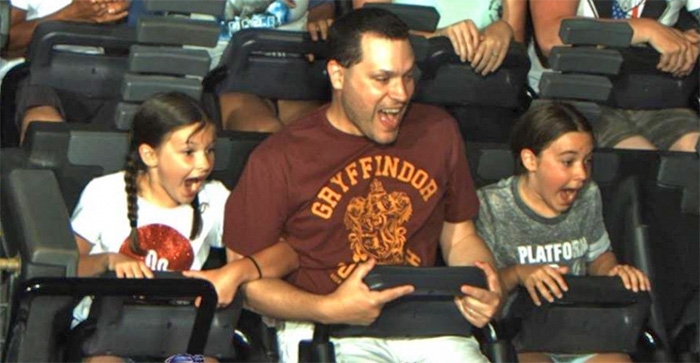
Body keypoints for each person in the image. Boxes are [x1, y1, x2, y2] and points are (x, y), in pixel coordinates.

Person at [187, 8, 503, 363]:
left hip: (424, 322)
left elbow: (459, 234)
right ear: (338, 75)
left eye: (407, 76)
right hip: (324, 328)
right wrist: (328, 308)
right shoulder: (280, 157)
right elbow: (247, 283)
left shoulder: (437, 130)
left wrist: (481, 283)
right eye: (382, 79)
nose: (400, 93)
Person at [69, 92, 297, 362]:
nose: (204, 164)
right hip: (105, 336)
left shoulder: (214, 198)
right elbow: (67, 267)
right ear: (149, 154)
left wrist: (234, 272)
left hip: (185, 332)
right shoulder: (104, 192)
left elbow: (288, 253)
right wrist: (107, 261)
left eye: (209, 150)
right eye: (188, 153)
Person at [475, 102, 652, 363]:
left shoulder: (588, 195)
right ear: (530, 160)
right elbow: (486, 292)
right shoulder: (492, 206)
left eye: (587, 161)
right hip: (522, 338)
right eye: (568, 162)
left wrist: (613, 273)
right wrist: (518, 273)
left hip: (581, 330)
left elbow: (599, 257)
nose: (581, 174)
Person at [529, 0, 700, 152]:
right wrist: (646, 28)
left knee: (690, 153)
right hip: (577, 97)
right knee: (639, 159)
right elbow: (551, 37)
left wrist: (691, 42)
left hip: (655, 95)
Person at [218, 0, 337, 132]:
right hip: (231, 74)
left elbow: (322, 6)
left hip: (294, 70)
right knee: (264, 129)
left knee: (310, 134)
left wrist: (319, 21)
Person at [354, 0, 526, 76]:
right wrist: (437, 37)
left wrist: (504, 30)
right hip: (407, 87)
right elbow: (367, 32)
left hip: (484, 92)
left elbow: (518, 60)